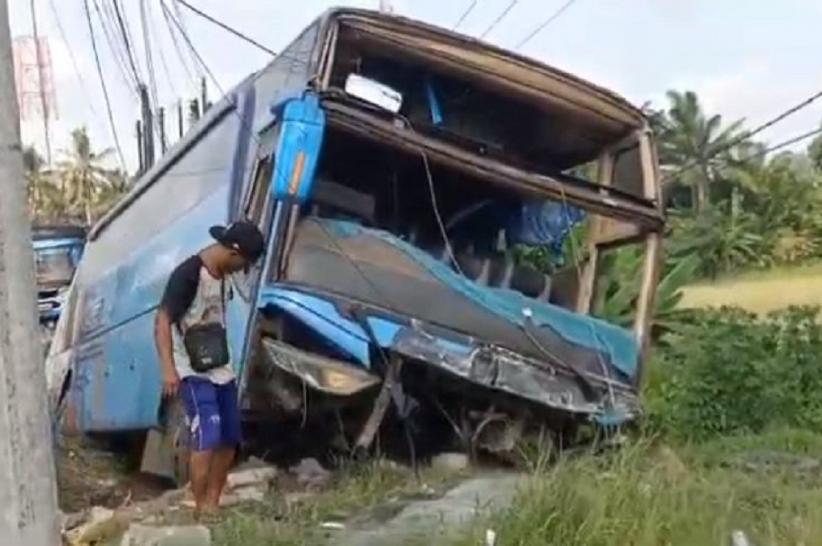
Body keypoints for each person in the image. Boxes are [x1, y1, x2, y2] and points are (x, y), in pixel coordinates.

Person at [154, 221, 264, 518]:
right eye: (243, 263)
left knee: (230, 437)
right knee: (207, 436)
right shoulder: (189, 274)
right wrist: (168, 369)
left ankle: (214, 503)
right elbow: (163, 320)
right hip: (191, 368)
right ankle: (199, 506)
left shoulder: (223, 276)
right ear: (232, 253)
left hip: (220, 366)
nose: (242, 269)